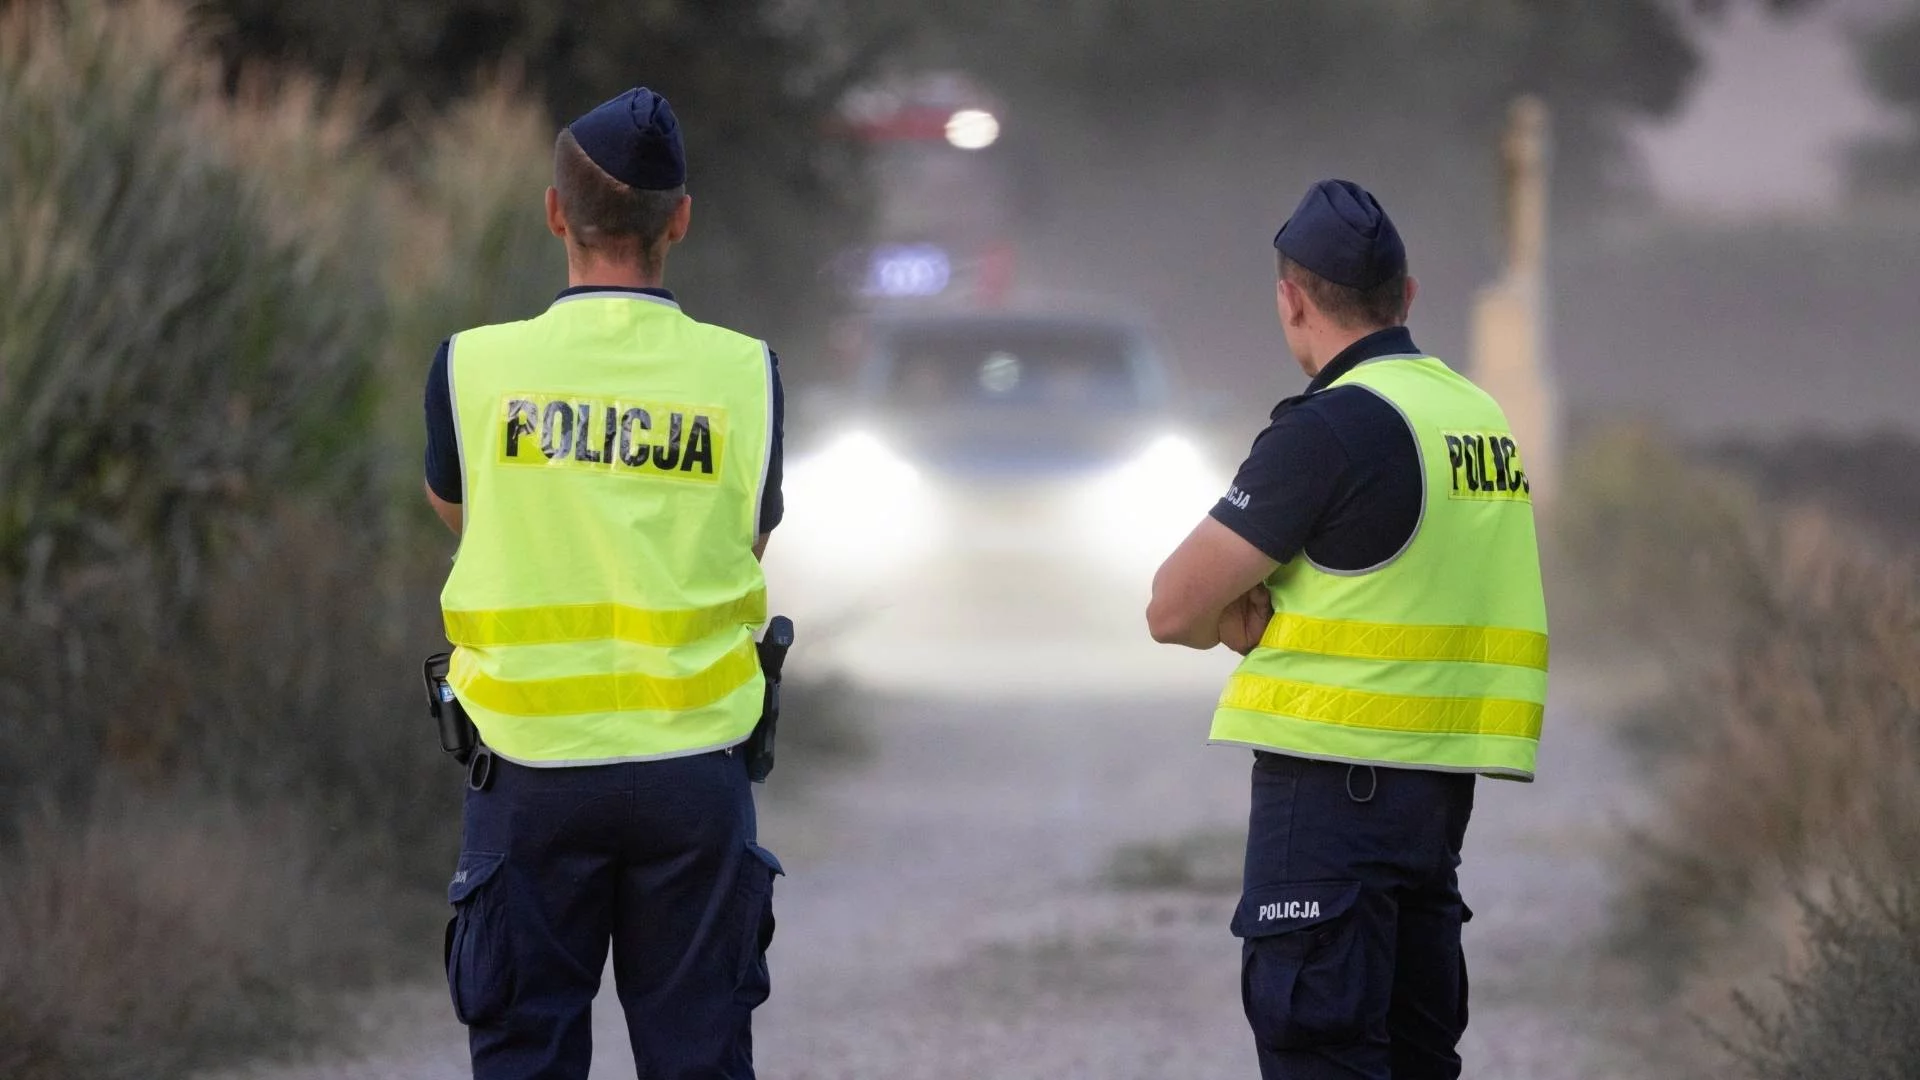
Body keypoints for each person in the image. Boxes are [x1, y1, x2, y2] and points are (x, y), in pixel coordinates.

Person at [1145, 179, 1548, 1079]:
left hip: (1333, 799)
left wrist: (1232, 621)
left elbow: (1172, 607)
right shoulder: (1477, 418)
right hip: (1434, 803)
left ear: (1291, 300)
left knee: (1324, 1057)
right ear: (1406, 297)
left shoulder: (1332, 428)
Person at [421, 87, 786, 1080]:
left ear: (553, 212)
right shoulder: (745, 373)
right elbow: (751, 531)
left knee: (524, 1052)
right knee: (700, 1055)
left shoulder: (472, 367)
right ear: (680, 219)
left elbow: (461, 514)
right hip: (693, 769)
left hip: (528, 769)